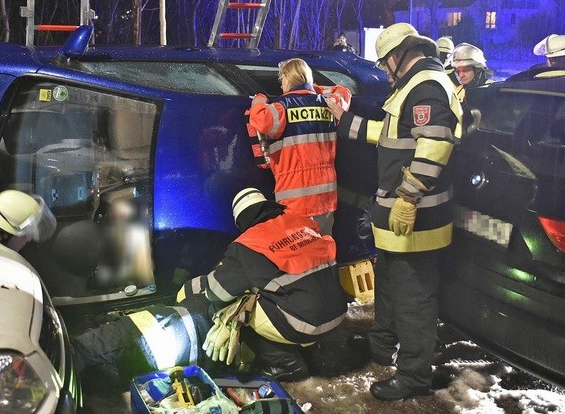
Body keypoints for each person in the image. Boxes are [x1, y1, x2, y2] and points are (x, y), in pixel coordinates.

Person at [326, 22, 463, 401]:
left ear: (399, 55)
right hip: (397, 223)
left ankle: (414, 376)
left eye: (385, 62)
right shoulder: (413, 85)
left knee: (414, 299)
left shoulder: (427, 87)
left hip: (416, 220)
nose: (385, 71)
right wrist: (345, 121)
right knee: (388, 286)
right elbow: (391, 134)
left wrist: (408, 197)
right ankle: (381, 347)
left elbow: (435, 144)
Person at [182, 188, 348, 381]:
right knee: (285, 294)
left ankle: (286, 363)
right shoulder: (302, 223)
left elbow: (215, 292)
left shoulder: (249, 244)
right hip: (338, 312)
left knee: (239, 310)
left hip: (306, 324)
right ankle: (312, 350)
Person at [247, 58, 351, 234]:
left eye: (282, 79)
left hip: (296, 199)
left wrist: (259, 99)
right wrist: (314, 88)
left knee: (299, 248)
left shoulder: (281, 108)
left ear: (287, 79)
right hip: (325, 197)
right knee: (324, 244)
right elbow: (344, 92)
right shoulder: (329, 105)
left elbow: (260, 119)